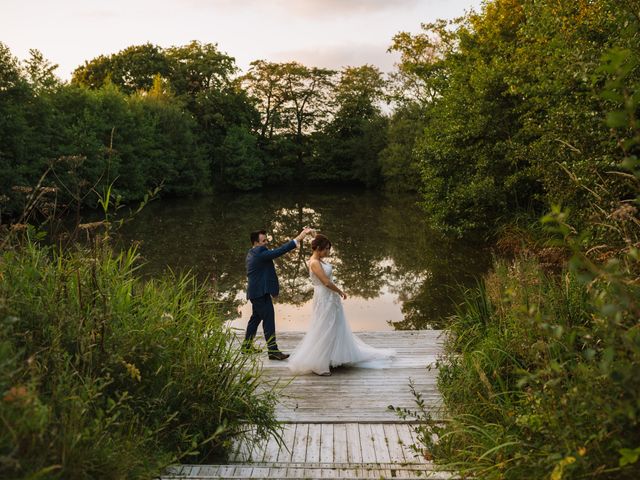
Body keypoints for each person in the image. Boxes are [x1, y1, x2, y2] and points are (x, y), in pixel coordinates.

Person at [287, 233, 395, 375]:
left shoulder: (319, 259)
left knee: (335, 326)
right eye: (326, 249)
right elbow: (325, 282)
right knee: (325, 327)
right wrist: (340, 291)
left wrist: (315, 234)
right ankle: (319, 364)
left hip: (329, 297)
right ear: (318, 248)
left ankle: (333, 357)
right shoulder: (314, 262)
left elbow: (327, 278)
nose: (328, 252)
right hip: (324, 297)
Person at [244, 227, 313, 360]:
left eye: (266, 240)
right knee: (268, 320)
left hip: (256, 292)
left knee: (255, 319)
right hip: (259, 293)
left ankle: (246, 347)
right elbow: (280, 251)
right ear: (256, 243)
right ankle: (273, 351)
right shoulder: (260, 252)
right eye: (263, 241)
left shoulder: (252, 252)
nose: (266, 243)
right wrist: (299, 237)